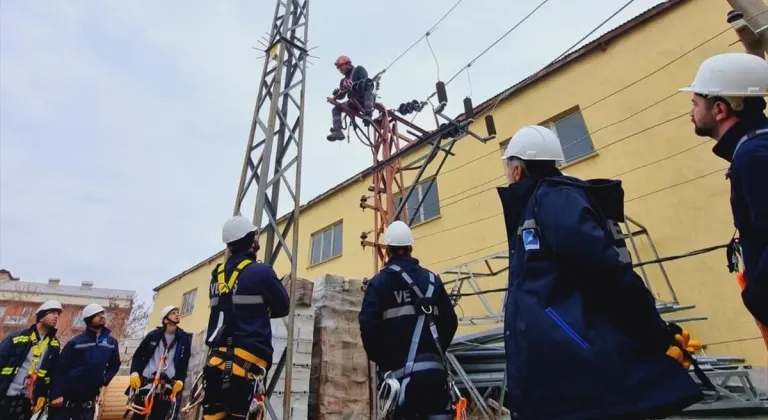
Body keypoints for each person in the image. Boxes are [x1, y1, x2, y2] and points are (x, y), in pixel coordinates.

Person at [497, 125, 704, 419]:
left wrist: (656, 336)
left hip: (577, 374)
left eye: (508, 167)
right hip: (562, 377)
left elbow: (605, 272)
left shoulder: (553, 200)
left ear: (517, 170)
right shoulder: (546, 204)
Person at [679, 52, 768, 328]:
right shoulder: (755, 148)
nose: (691, 112)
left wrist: (757, 297)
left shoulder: (754, 156)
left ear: (720, 109)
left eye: (695, 103)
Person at [359, 220, 459, 420]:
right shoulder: (432, 281)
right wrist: (434, 352)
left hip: (401, 382)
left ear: (387, 250)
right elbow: (450, 322)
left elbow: (368, 329)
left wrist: (385, 362)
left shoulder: (379, 284)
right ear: (410, 247)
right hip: (436, 377)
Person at [202, 215, 290, 419]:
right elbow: (283, 306)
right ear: (251, 239)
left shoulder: (217, 276)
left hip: (216, 365)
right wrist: (262, 309)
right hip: (244, 370)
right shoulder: (261, 272)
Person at [48, 303, 121, 420]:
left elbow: (115, 364)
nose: (102, 316)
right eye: (97, 315)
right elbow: (60, 368)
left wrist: (104, 379)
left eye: (102, 313)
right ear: (89, 320)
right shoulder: (76, 342)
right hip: (66, 402)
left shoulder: (111, 343)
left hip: (88, 404)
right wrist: (56, 394)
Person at [0, 300, 63, 420]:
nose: (56, 316)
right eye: (53, 312)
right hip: (5, 396)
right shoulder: (18, 338)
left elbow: (52, 374)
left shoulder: (54, 345)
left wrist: (44, 396)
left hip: (27, 400)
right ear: (41, 316)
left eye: (58, 314)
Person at [126, 305, 191, 420]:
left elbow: (183, 363)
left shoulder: (183, 339)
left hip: (166, 385)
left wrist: (180, 380)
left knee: (159, 417)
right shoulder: (153, 336)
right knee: (138, 416)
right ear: (165, 320)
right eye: (173, 313)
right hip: (147, 382)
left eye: (177, 312)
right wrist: (134, 373)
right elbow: (138, 356)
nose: (177, 314)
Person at [327, 55, 375, 142]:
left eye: (341, 67)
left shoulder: (358, 70)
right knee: (336, 109)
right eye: (339, 68)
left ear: (348, 64)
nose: (340, 70)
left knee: (369, 88)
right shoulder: (343, 81)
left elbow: (366, 81)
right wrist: (337, 94)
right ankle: (338, 131)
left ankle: (368, 115)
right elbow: (342, 96)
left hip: (364, 99)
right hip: (354, 102)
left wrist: (354, 86)